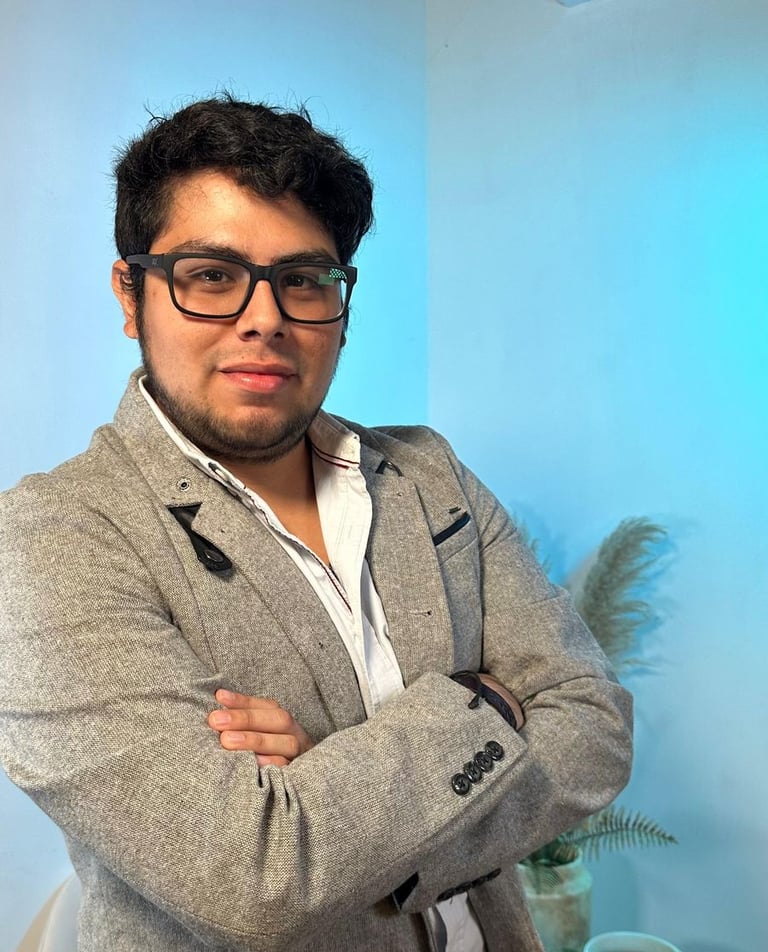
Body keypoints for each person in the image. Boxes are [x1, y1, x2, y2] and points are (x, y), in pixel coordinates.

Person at [0, 95, 632, 952]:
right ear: (130, 293)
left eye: (303, 279)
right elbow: (255, 877)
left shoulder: (428, 474)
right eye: (210, 276)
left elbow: (594, 724)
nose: (264, 318)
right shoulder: (52, 537)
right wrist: (485, 702)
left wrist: (333, 781)